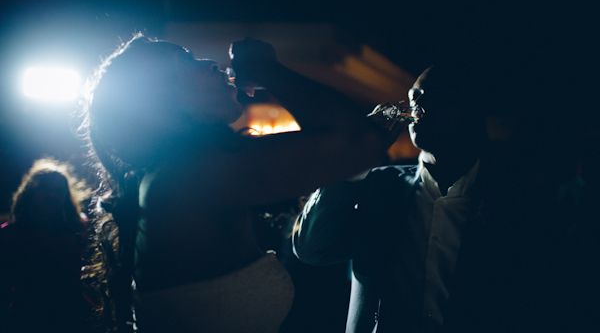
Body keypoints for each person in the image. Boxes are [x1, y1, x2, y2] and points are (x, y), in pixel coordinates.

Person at [78, 34, 396, 333]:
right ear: (156, 97)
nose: (211, 63)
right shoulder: (186, 175)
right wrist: (264, 68)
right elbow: (359, 140)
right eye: (185, 61)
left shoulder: (181, 170)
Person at [293, 65, 554, 332]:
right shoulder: (377, 185)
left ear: (471, 112)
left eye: (437, 98)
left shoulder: (515, 200)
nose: (418, 106)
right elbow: (312, 249)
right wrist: (353, 160)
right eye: (414, 96)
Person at [0, 158, 92, 333]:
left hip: (73, 318)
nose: (52, 195)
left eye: (58, 191)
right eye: (45, 189)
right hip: (29, 319)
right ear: (30, 193)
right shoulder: (10, 234)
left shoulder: (78, 231)